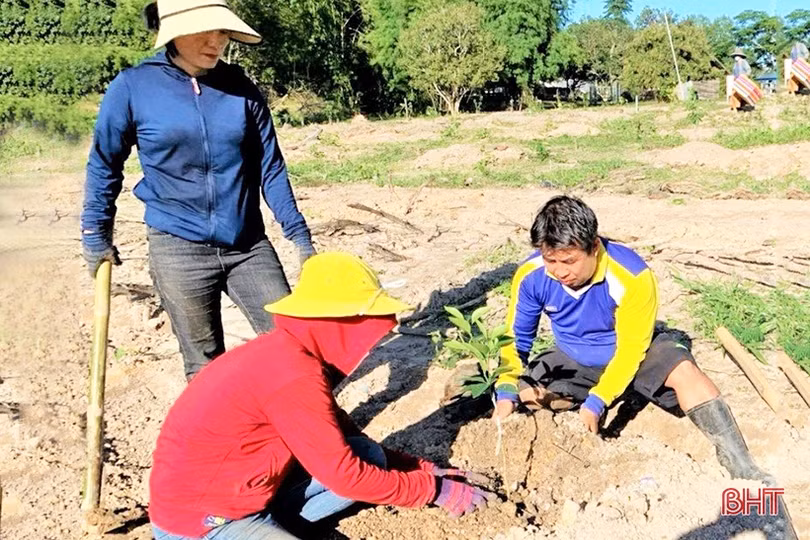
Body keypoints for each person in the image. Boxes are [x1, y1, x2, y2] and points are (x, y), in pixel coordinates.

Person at [149, 252, 495, 539]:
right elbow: (343, 475)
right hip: (201, 523)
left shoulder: (290, 354)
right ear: (341, 322)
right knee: (355, 472)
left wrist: (420, 468)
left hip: (247, 495)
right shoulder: (292, 375)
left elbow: (344, 439)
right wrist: (432, 491)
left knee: (368, 454)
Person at [81, 0, 315, 380]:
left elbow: (270, 167)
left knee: (291, 346)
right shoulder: (133, 88)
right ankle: (222, 440)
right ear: (173, 32)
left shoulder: (241, 89)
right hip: (178, 249)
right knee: (206, 367)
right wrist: (95, 234)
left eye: (222, 30)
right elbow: (105, 165)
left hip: (247, 246)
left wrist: (300, 237)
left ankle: (311, 432)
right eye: (205, 29)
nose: (217, 40)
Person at [491, 195, 774, 485]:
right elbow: (516, 339)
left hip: (634, 355)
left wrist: (598, 401)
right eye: (551, 260)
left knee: (687, 374)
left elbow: (629, 351)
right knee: (523, 392)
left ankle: (743, 467)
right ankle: (568, 399)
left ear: (595, 248)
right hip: (572, 357)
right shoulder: (531, 275)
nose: (560, 271)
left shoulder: (632, 275)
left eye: (569, 261)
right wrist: (505, 391)